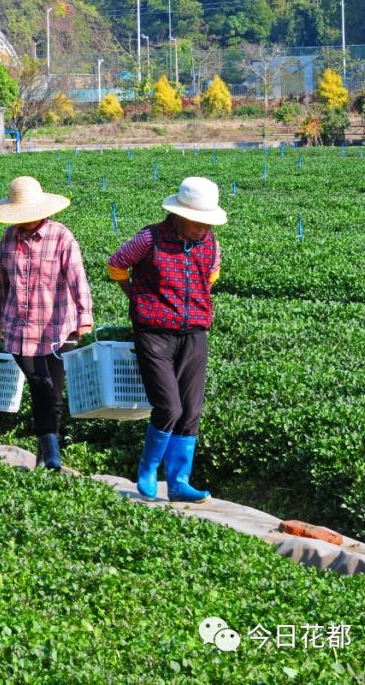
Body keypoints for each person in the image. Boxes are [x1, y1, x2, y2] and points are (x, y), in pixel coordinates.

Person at [107, 176, 226, 503]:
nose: (204, 229)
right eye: (198, 222)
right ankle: (148, 468)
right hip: (153, 331)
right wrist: (135, 295)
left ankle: (178, 482)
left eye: (207, 223)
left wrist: (190, 306)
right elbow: (117, 265)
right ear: (179, 215)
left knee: (191, 409)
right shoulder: (149, 238)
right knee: (169, 406)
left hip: (194, 331)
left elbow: (211, 276)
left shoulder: (211, 244)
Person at [0, 177, 93, 471]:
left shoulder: (61, 237)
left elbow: (77, 279)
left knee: (53, 389)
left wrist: (84, 317)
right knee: (39, 384)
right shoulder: (8, 239)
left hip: (57, 329)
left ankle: (49, 451)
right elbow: (2, 287)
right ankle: (50, 449)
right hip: (19, 330)